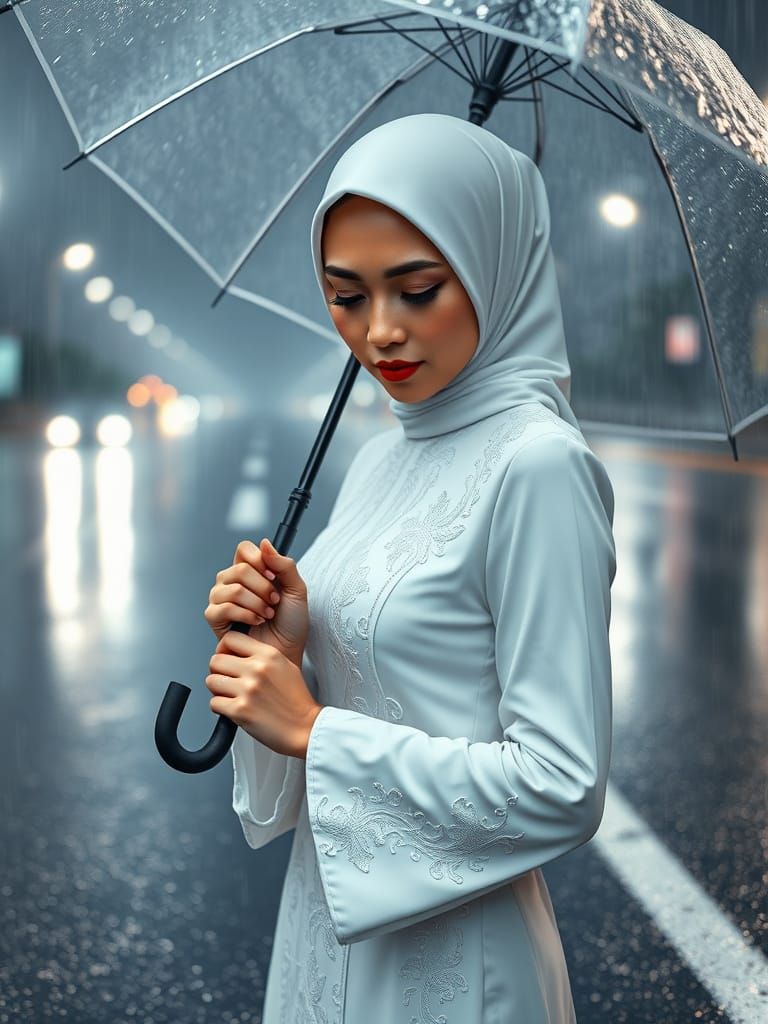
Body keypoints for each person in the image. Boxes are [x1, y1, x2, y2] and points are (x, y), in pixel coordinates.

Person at [203, 112, 617, 1023]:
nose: (379, 331)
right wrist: (291, 641)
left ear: (493, 268)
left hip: (455, 968)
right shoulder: (385, 454)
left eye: (418, 289)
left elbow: (562, 785)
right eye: (347, 295)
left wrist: (315, 732)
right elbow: (362, 686)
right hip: (325, 926)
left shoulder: (538, 466)